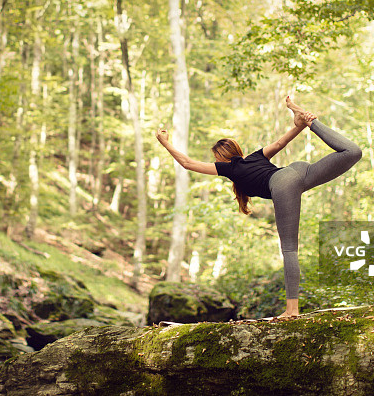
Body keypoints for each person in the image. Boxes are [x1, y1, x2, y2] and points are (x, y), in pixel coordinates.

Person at [155, 96, 362, 319]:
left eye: (215, 158)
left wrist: (165, 142)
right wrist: (301, 125)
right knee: (352, 152)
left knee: (290, 249)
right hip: (300, 172)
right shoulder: (255, 156)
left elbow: (187, 163)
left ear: (220, 158)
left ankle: (292, 311)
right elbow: (282, 143)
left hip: (283, 184)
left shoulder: (229, 168)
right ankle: (310, 121)